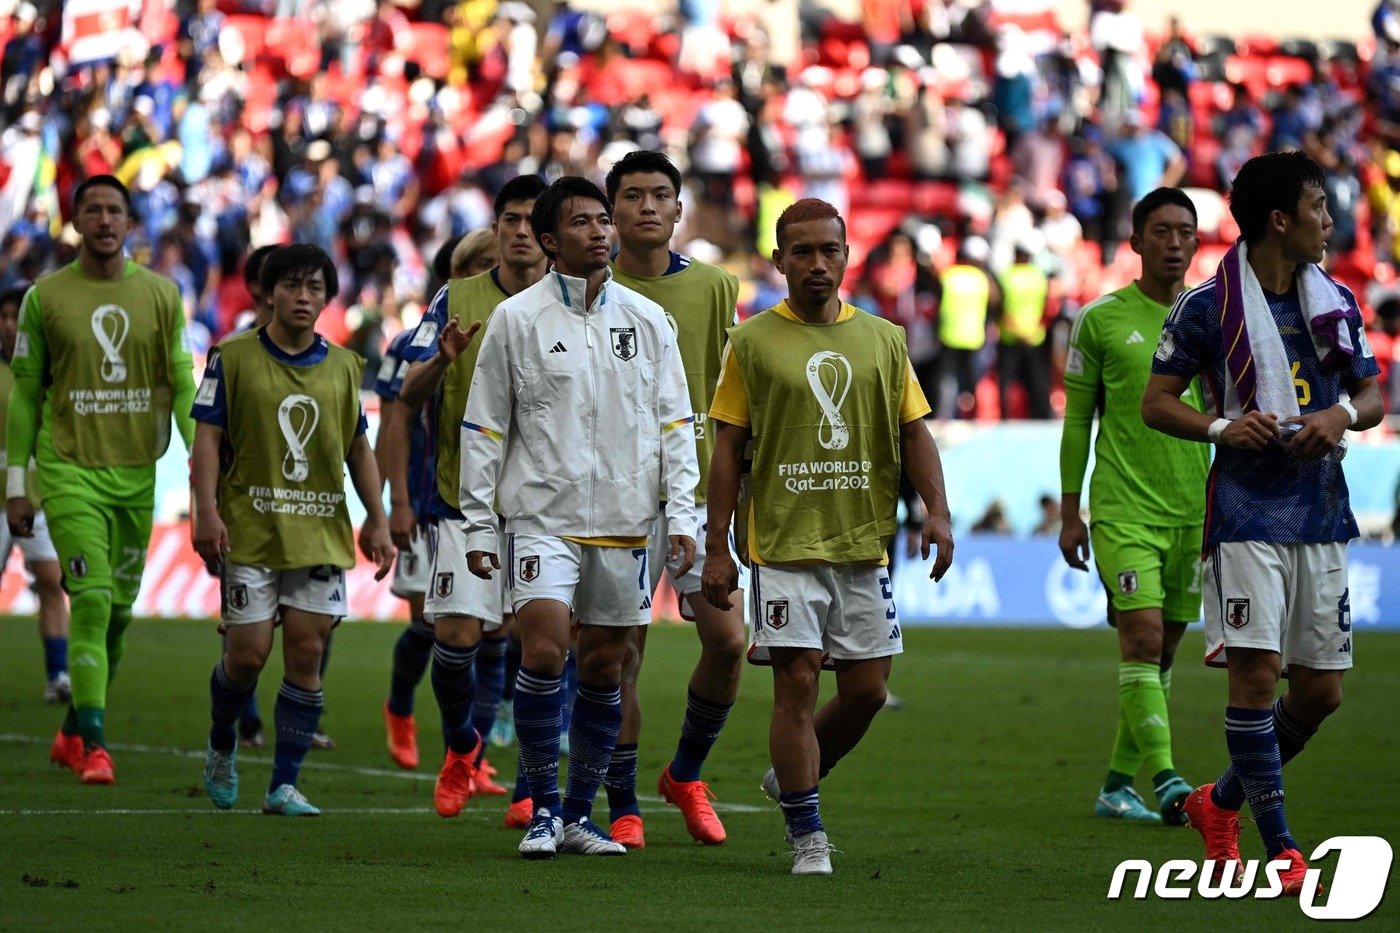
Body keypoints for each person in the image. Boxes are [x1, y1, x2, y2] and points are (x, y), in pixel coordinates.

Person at [1143, 151, 1383, 894]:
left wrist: (1338, 414)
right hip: (1245, 514)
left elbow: (1371, 398)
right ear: (1281, 218)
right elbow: (1158, 401)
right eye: (1319, 206)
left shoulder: (1336, 299)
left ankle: (1218, 803)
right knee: (1254, 677)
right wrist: (1220, 427)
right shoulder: (1207, 307)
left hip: (1320, 509)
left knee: (1322, 691)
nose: (1330, 221)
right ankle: (1282, 847)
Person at [701, 198, 955, 876]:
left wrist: (938, 510)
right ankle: (808, 833)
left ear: (846, 256)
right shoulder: (751, 341)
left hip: (863, 540)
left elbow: (912, 431)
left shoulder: (883, 337)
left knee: (869, 690)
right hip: (783, 543)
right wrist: (717, 543)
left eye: (830, 250)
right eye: (803, 251)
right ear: (779, 260)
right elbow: (729, 446)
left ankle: (796, 774)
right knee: (798, 682)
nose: (817, 263)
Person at [460, 176, 698, 859]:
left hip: (627, 520)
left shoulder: (649, 321)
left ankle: (576, 814)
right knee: (542, 648)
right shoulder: (517, 320)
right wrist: (479, 524)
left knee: (604, 665)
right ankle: (537, 807)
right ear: (547, 238)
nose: (601, 231)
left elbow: (676, 424)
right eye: (583, 222)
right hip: (540, 514)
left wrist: (680, 511)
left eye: (603, 219)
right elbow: (484, 427)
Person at [7, 175, 197, 785]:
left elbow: (185, 383)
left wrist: (203, 466)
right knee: (89, 599)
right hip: (67, 471)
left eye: (116, 209)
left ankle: (69, 730)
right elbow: (25, 396)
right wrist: (18, 482)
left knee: (117, 615)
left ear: (130, 221)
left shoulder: (164, 296)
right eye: (93, 210)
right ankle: (96, 745)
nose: (105, 220)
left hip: (137, 473)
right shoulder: (45, 297)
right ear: (76, 221)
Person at [192, 243, 394, 816]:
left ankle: (284, 784)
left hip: (319, 530)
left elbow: (359, 447)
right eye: (292, 286)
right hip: (249, 529)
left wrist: (375, 519)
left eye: (314, 288)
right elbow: (207, 437)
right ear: (268, 292)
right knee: (248, 656)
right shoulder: (229, 357)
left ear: (328, 297)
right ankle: (222, 739)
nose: (303, 298)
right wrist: (205, 511)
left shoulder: (345, 366)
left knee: (307, 652)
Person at [395, 174, 549, 821]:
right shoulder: (455, 298)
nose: (517, 230)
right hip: (467, 500)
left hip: (549, 505)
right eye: (507, 218)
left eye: (528, 220)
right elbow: (407, 395)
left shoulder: (584, 301)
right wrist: (442, 360)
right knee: (453, 638)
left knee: (543, 646)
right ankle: (462, 745)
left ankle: (533, 789)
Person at [602, 150, 745, 848]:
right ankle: (623, 802)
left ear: (680, 209)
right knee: (622, 651)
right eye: (633, 196)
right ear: (611, 213)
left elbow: (730, 393)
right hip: (615, 493)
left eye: (662, 194)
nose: (649, 206)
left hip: (694, 490)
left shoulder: (716, 286)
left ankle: (684, 772)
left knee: (728, 641)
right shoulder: (589, 288)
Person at [1059, 187, 1208, 825]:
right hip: (1122, 506)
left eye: (1185, 232)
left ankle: (1117, 785)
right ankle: (1169, 779)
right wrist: (1071, 511)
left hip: (1196, 509)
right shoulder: (1100, 320)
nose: (1174, 243)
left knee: (1165, 651)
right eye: (1162, 231)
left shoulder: (1214, 320)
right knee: (1142, 640)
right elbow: (1076, 424)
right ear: (1136, 242)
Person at [0, 283, 70, 705]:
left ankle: (57, 674)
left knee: (50, 580)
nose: (9, 325)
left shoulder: (51, 372)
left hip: (39, 498)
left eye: (16, 316)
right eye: (4, 316)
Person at [996, 242, 1051, 419]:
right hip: (1033, 335)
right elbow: (1046, 305)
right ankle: (1041, 415)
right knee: (1037, 380)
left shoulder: (1006, 276)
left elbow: (1000, 305)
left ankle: (1005, 416)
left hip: (1010, 335)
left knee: (1006, 381)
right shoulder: (1038, 276)